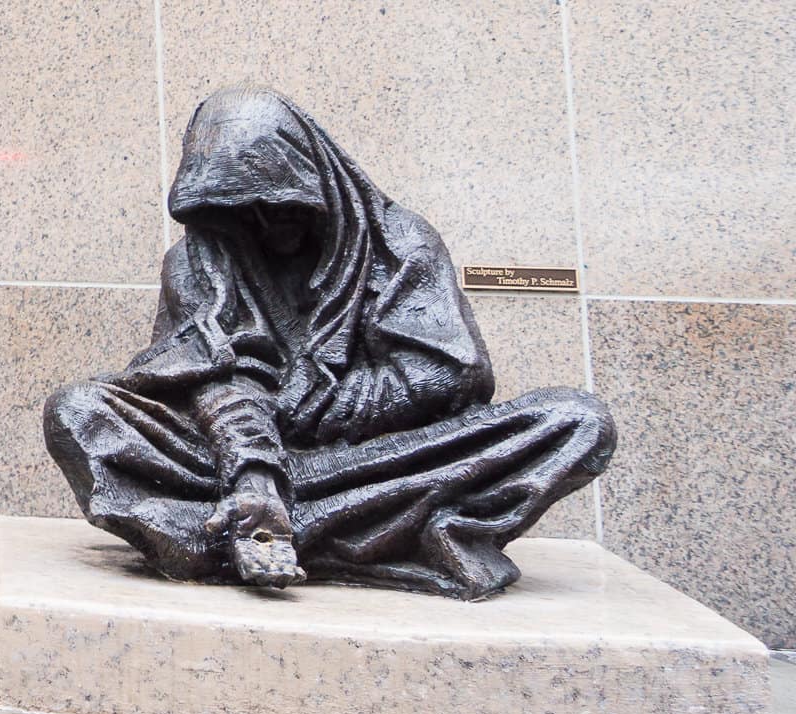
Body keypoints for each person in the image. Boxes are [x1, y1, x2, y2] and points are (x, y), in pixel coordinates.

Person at [44, 87, 616, 600]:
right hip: (234, 457)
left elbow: (449, 375)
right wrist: (254, 471)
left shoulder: (401, 245)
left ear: (316, 178)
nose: (269, 225)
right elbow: (208, 377)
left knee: (574, 420)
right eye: (246, 211)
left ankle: (241, 530)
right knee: (80, 412)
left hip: (380, 459)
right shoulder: (197, 260)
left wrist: (309, 403)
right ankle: (303, 521)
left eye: (280, 201)